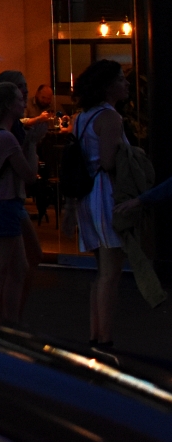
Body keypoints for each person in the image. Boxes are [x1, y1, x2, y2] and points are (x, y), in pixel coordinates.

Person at [72, 59, 131, 355]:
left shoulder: (83, 117)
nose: (126, 83)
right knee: (111, 270)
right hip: (105, 193)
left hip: (87, 194)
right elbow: (109, 162)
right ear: (109, 86)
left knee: (101, 269)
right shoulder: (110, 117)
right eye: (121, 79)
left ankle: (96, 334)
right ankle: (104, 338)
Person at [0, 78, 39, 323]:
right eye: (19, 100)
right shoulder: (6, 138)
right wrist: (31, 145)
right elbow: (29, 175)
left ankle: (8, 322)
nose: (23, 103)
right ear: (7, 105)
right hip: (3, 205)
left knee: (16, 268)